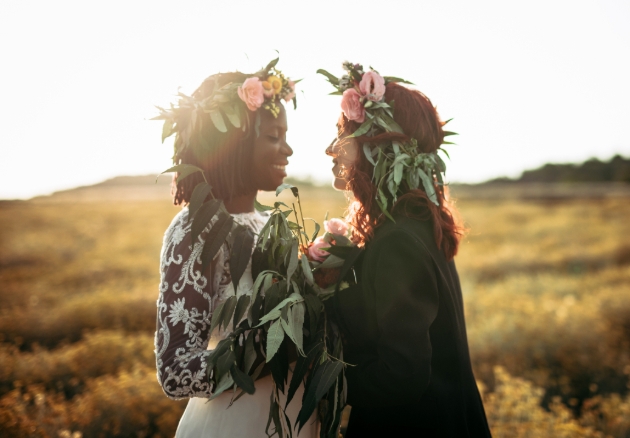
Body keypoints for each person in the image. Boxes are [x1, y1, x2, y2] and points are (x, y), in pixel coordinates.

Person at [321, 62, 492, 437]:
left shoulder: (398, 243)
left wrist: (322, 378)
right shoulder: (420, 227)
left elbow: (401, 378)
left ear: (379, 148)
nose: (330, 149)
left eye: (342, 134)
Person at [154, 64, 317, 437]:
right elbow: (176, 370)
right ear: (235, 141)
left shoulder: (266, 224)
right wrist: (275, 354)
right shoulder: (195, 231)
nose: (288, 148)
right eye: (274, 136)